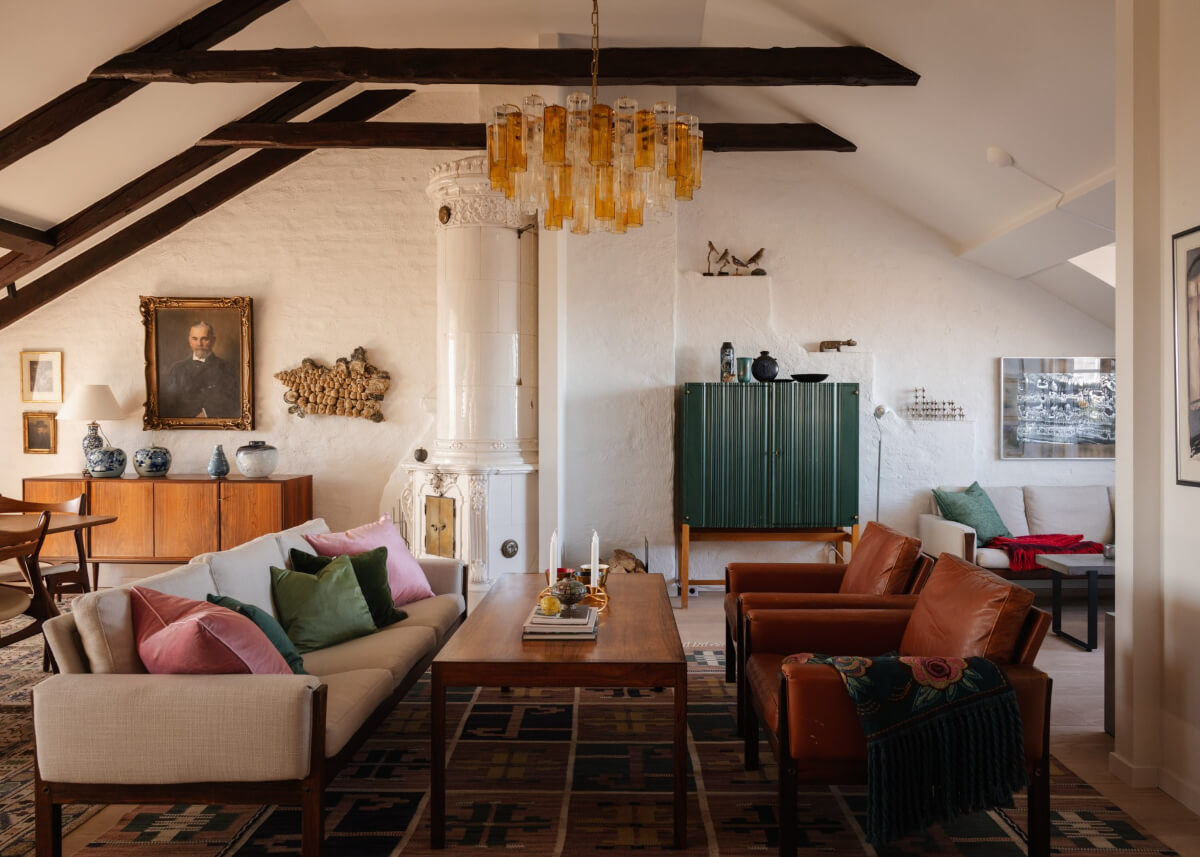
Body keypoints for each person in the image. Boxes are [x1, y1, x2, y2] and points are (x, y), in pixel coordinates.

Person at [160, 321, 239, 418]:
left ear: (213, 340)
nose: (199, 344)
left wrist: (207, 414)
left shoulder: (226, 368)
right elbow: (168, 403)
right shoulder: (177, 369)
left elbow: (233, 402)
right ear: (189, 340)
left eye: (204, 339)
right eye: (195, 339)